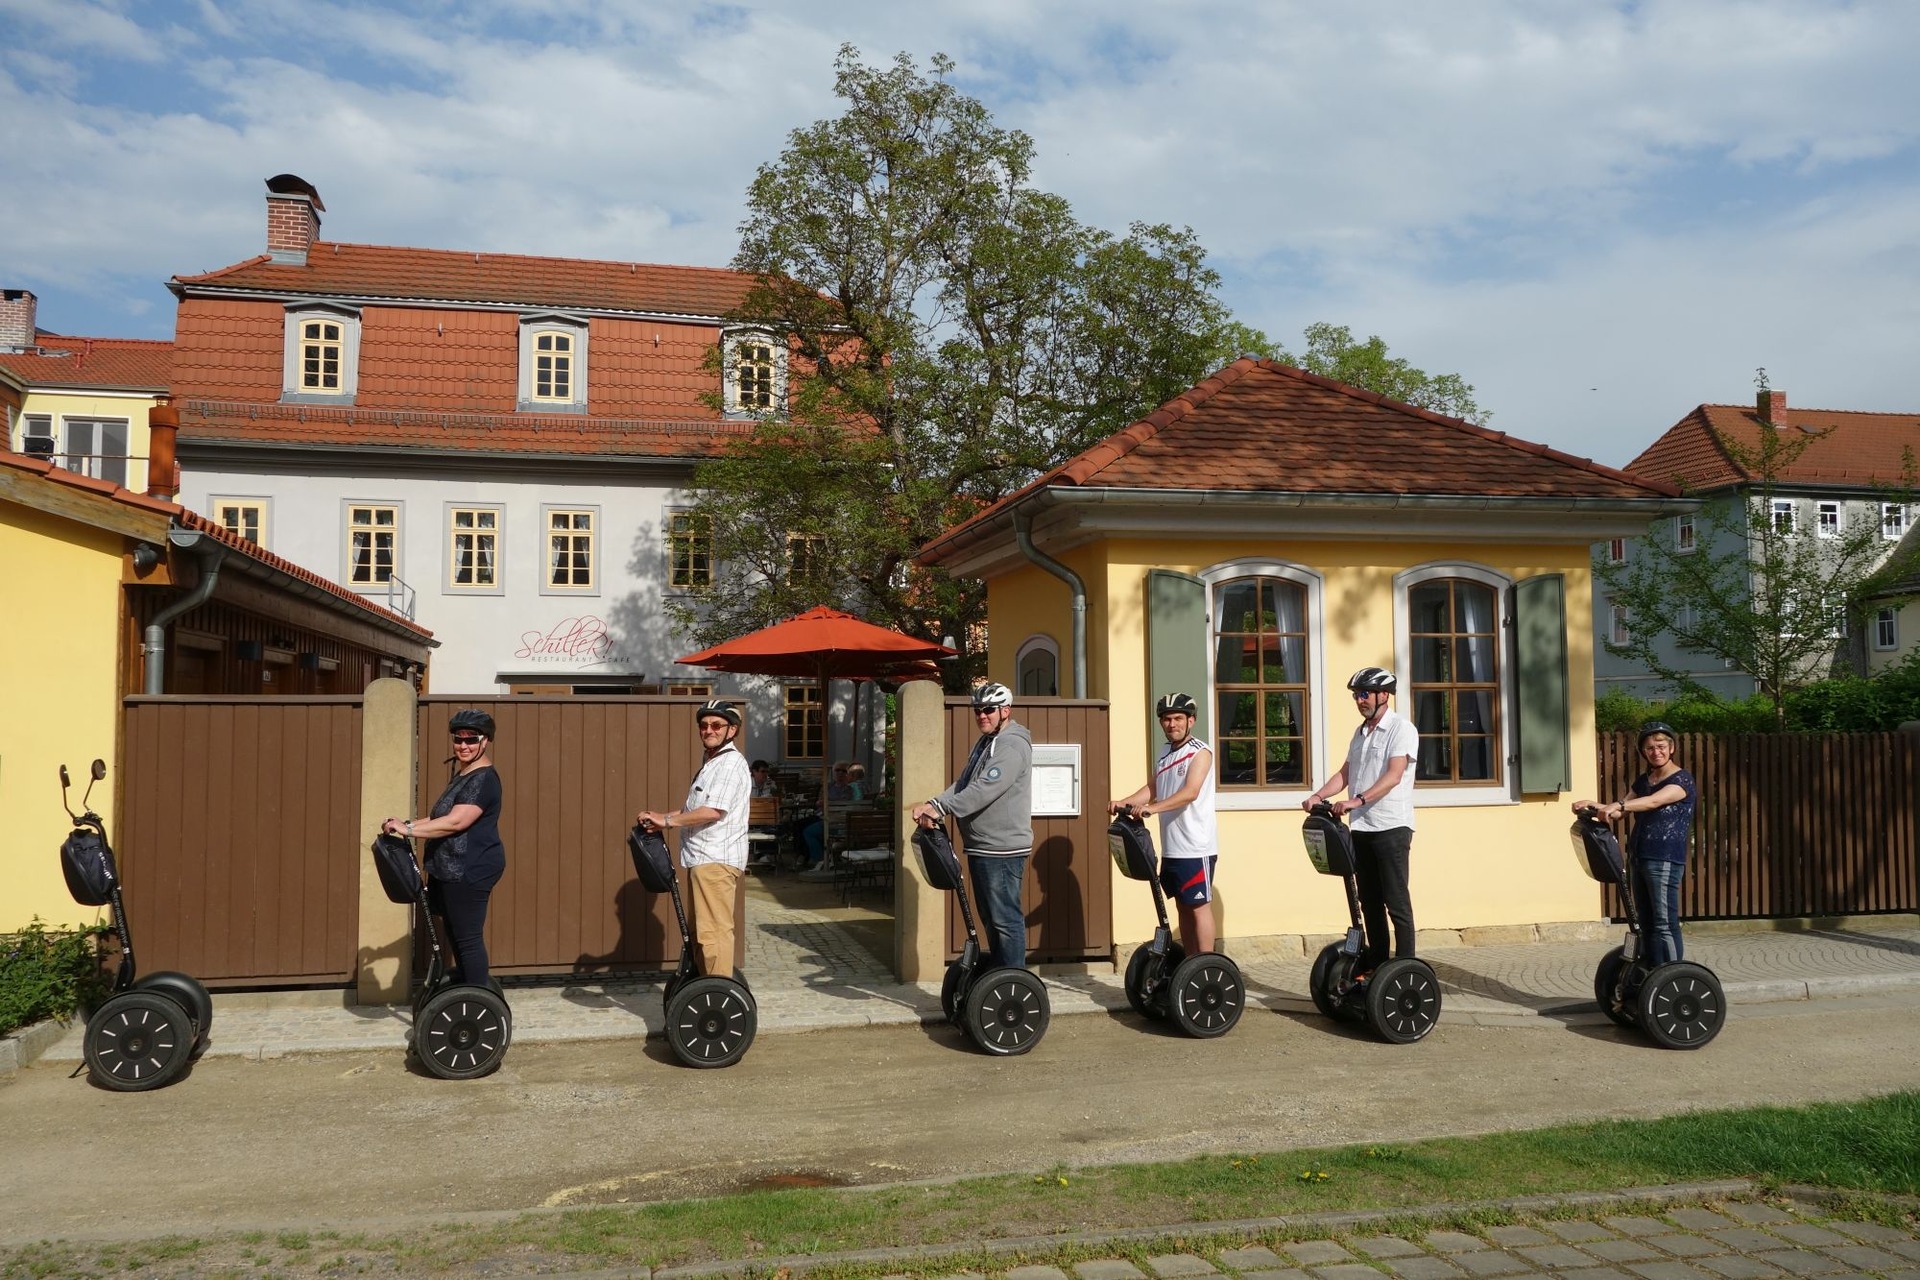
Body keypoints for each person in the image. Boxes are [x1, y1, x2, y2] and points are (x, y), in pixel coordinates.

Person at [1302, 667, 1419, 973]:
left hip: (1391, 827)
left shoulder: (1401, 729)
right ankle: (1378, 964)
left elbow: (1394, 775)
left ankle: (1405, 968)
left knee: (1396, 901)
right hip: (1362, 828)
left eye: (1364, 694)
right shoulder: (1360, 732)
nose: (1359, 700)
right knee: (1369, 901)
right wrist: (1318, 796)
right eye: (1356, 695)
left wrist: (1357, 800)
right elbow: (1345, 774)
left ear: (1384, 695)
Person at [911, 682, 1033, 970]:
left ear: (1005, 711)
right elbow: (965, 783)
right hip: (982, 845)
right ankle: (1000, 975)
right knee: (991, 919)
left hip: (1002, 848)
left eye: (988, 709)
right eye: (977, 710)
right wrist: (934, 803)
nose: (981, 715)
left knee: (1005, 920)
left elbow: (986, 788)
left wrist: (941, 809)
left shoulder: (1012, 744)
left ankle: (1014, 980)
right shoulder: (987, 742)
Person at [382, 709, 505, 989]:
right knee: (456, 933)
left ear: (485, 741)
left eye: (471, 739)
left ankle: (477, 998)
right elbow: (440, 816)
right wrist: (406, 824)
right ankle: (468, 991)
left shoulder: (484, 779)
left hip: (470, 868)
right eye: (458, 739)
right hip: (450, 867)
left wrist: (408, 831)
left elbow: (456, 822)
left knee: (468, 938)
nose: (463, 745)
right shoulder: (464, 774)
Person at [637, 700, 751, 977]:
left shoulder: (729, 764)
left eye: (716, 725)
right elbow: (694, 809)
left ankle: (717, 990)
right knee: (700, 930)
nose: (708, 730)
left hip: (715, 858)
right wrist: (661, 817)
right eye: (704, 725)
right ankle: (704, 985)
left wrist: (667, 821)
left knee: (713, 932)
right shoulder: (713, 762)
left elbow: (712, 811)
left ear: (732, 730)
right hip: (703, 858)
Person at [1573, 721, 1696, 967]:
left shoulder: (1682, 780)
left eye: (1661, 746)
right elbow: (1620, 811)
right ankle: (1651, 971)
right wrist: (1592, 805)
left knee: (1664, 923)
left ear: (1671, 748)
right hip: (1638, 857)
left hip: (1664, 859)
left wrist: (1618, 805)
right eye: (1650, 748)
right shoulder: (1644, 781)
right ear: (1644, 751)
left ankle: (1672, 974)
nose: (1656, 752)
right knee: (1645, 922)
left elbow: (1652, 802)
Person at [1110, 692, 1219, 955]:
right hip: (1172, 846)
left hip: (1196, 846)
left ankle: (1206, 963)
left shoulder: (1200, 752)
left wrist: (1151, 809)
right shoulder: (1165, 753)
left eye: (1178, 718)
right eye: (1167, 719)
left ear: (1191, 720)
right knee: (1182, 906)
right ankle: (1191, 964)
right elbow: (1153, 787)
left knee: (1198, 907)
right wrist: (1123, 802)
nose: (1172, 724)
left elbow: (1190, 792)